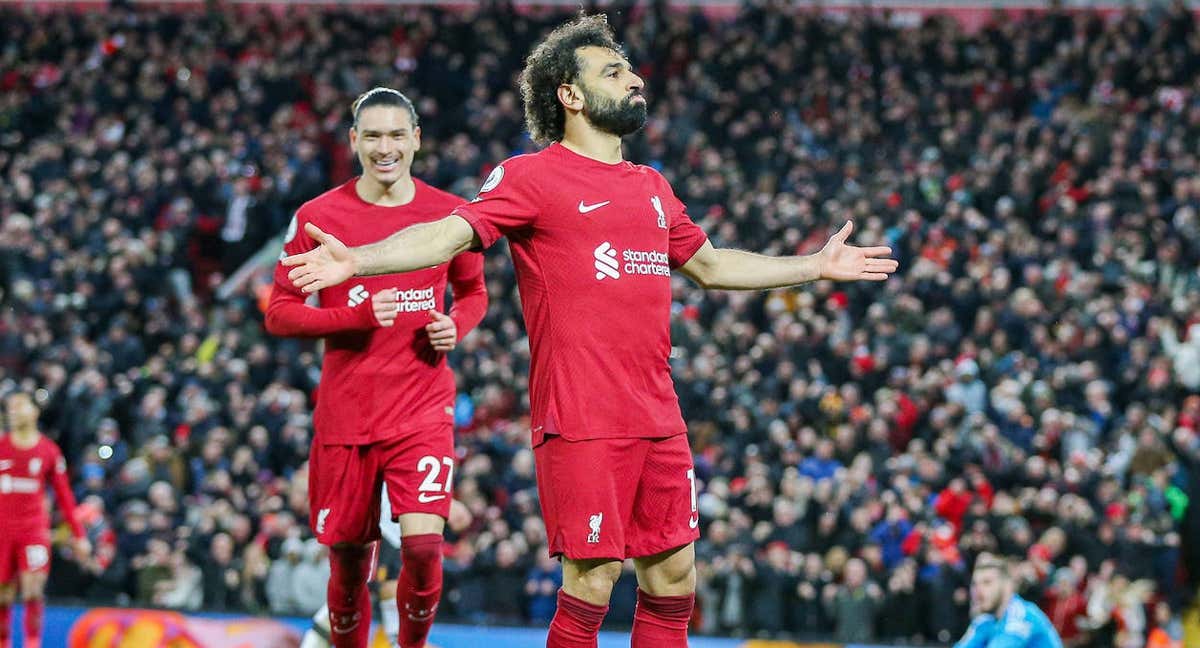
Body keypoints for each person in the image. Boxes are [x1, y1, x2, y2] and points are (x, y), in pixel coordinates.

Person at [282, 16, 897, 647]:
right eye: (613, 72)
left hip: (659, 412)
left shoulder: (651, 186)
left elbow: (713, 266)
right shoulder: (531, 177)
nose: (634, 81)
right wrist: (360, 259)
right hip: (581, 415)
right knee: (594, 580)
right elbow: (447, 232)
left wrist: (815, 266)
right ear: (570, 96)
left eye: (630, 71)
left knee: (673, 578)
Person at [266, 86, 488, 648]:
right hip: (347, 413)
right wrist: (356, 316)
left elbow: (474, 292)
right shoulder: (319, 217)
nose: (384, 147)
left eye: (396, 135)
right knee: (347, 565)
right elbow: (282, 315)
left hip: (422, 406)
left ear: (416, 139)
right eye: (372, 136)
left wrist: (456, 326)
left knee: (420, 547)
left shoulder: (447, 215)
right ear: (353, 142)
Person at [0, 392, 91, 648]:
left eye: (20, 406)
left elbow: (64, 496)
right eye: (10, 408)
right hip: (2, 532)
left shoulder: (48, 451)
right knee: (3, 594)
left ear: (35, 411)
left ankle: (32, 643)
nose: (14, 412)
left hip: (33, 531)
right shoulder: (1, 448)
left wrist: (80, 535)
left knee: (33, 588)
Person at [955, 556, 1064, 648]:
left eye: (987, 583)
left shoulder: (1021, 617)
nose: (978, 590)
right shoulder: (984, 620)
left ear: (1007, 586)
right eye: (975, 584)